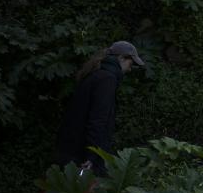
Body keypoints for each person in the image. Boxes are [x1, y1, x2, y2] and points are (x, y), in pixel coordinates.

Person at [55, 41, 144, 176]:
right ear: (121, 58)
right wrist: (92, 155)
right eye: (131, 64)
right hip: (82, 153)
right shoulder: (107, 79)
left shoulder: (96, 73)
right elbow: (98, 119)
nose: (129, 69)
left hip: (71, 147)